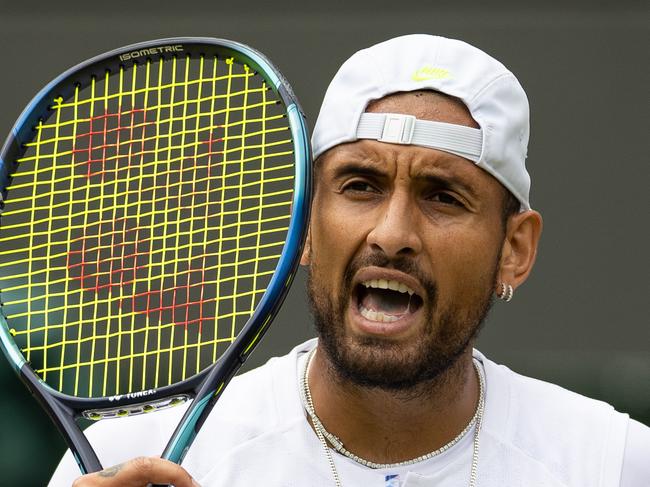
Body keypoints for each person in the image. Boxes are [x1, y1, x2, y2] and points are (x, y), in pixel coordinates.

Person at [52, 34, 649, 487]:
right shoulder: (129, 458)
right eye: (361, 185)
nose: (391, 234)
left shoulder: (612, 463)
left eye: (443, 196)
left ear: (513, 250)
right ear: (305, 223)